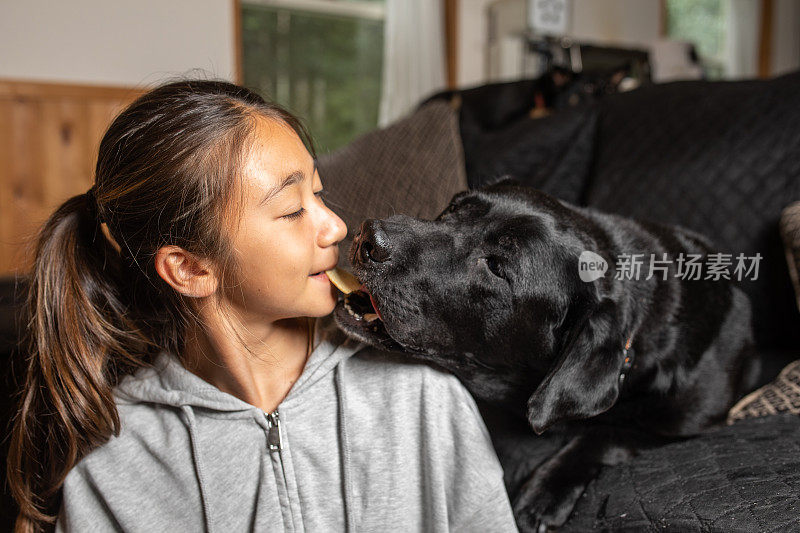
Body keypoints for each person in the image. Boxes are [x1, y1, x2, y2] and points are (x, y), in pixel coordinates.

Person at [7, 79, 518, 532]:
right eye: (293, 210)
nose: (336, 227)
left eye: (319, 193)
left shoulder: (423, 397)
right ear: (189, 269)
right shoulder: (113, 469)